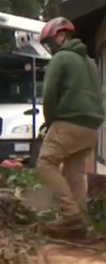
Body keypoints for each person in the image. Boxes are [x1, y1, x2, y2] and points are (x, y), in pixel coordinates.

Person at [36, 16, 105, 237]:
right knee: (74, 172)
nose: (50, 48)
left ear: (61, 35)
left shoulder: (62, 58)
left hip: (69, 121)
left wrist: (49, 121)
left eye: (50, 42)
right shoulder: (91, 63)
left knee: (45, 163)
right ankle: (80, 224)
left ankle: (69, 214)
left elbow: (48, 95)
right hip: (91, 127)